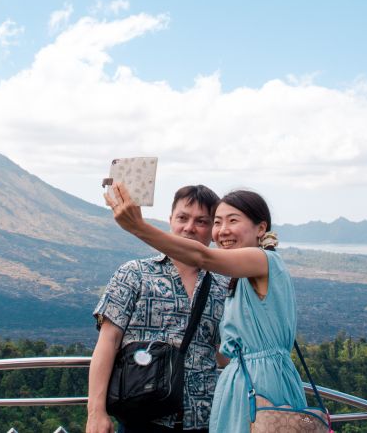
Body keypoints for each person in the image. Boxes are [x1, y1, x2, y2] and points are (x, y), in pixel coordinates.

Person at [106, 183, 307, 433]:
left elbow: (203, 256)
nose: (223, 230)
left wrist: (138, 227)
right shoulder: (241, 278)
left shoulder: (263, 260)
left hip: (261, 385)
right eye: (218, 222)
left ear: (261, 228)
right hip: (243, 383)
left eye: (233, 220)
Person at [87, 185, 228, 433]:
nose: (189, 228)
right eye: (183, 218)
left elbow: (221, 354)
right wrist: (96, 412)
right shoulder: (134, 273)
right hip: (142, 417)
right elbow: (108, 342)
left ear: (213, 229)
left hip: (204, 420)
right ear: (170, 220)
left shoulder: (222, 284)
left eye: (201, 221)